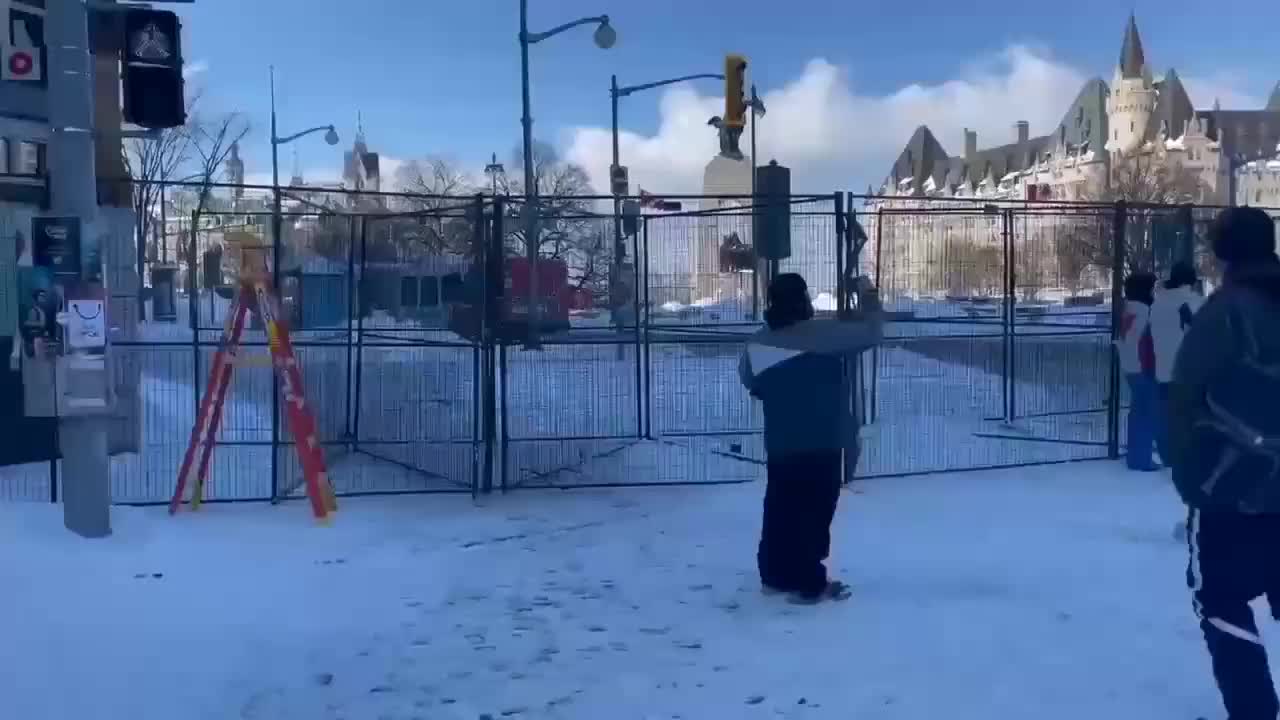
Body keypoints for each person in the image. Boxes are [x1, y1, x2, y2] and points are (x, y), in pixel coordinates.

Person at [1167, 207, 1280, 720]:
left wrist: (1192, 478)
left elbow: (1184, 402)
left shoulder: (1223, 314)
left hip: (1235, 491)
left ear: (1220, 252)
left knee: (1224, 606)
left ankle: (1253, 711)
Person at [737, 272, 883, 604]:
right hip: (823, 441)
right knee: (814, 514)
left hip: (782, 444)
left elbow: (750, 381)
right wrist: (868, 296)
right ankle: (808, 582)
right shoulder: (826, 336)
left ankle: (775, 575)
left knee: (781, 511)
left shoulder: (759, 343)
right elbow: (873, 332)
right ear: (803, 301)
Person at [1150, 260, 1204, 463]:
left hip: (1162, 368)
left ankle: (1168, 455)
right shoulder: (1194, 302)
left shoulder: (1158, 303)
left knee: (1165, 415)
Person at [1116, 271, 1160, 471]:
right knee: (1146, 414)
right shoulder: (1147, 311)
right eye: (1152, 288)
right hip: (1144, 367)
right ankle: (1141, 459)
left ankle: (1135, 455)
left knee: (1137, 412)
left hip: (1129, 365)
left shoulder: (1128, 309)